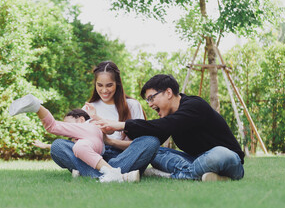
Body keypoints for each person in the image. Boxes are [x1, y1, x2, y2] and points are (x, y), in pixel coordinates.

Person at [96, 74, 245, 182]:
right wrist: (110, 142)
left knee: (220, 153)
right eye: (147, 100)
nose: (149, 104)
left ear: (168, 92)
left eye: (151, 98)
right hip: (196, 160)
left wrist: (120, 125)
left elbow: (163, 125)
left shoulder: (194, 105)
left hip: (230, 160)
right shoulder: (169, 119)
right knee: (154, 149)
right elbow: (147, 141)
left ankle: (172, 175)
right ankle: (206, 176)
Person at [46, 61, 160, 179]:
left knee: (152, 141)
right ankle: (117, 175)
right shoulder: (88, 108)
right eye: (100, 85)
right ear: (95, 85)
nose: (104, 90)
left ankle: (93, 173)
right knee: (58, 146)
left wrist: (109, 141)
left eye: (109, 85)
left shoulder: (132, 105)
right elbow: (80, 145)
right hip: (93, 155)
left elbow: (139, 142)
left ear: (117, 84)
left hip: (123, 156)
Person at [9, 94, 140, 182]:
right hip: (97, 148)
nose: (67, 127)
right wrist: (46, 146)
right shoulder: (89, 132)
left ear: (81, 119)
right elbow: (104, 133)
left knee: (53, 127)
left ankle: (36, 106)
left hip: (95, 140)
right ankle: (116, 175)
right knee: (79, 147)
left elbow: (53, 127)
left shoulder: (86, 125)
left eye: (68, 122)